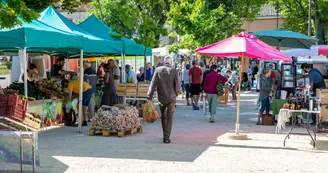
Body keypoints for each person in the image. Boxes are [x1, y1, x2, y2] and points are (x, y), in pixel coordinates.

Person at [148, 56, 181, 144]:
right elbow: (178, 85)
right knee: (170, 117)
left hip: (161, 97)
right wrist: (177, 93)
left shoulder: (158, 70)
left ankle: (164, 134)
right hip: (171, 98)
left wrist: (149, 96)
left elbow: (153, 83)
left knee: (163, 116)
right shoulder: (174, 71)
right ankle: (166, 137)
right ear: (170, 62)